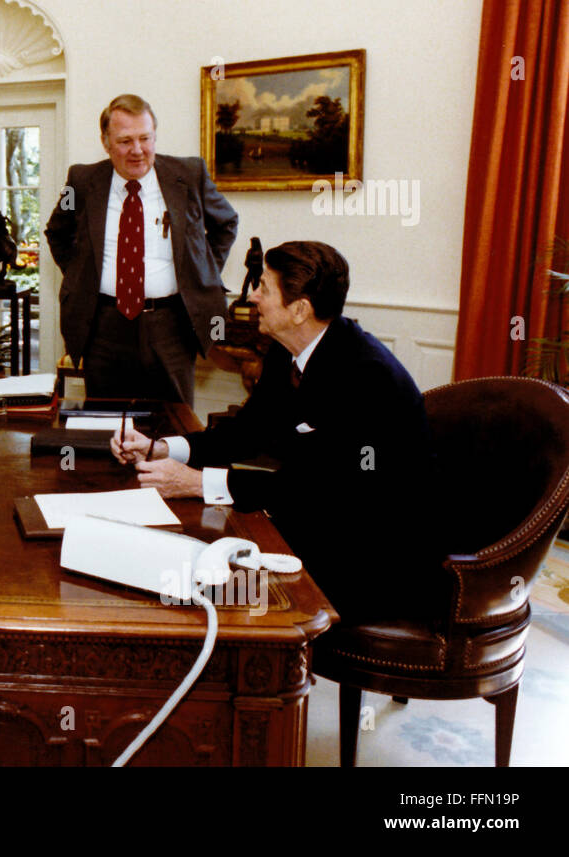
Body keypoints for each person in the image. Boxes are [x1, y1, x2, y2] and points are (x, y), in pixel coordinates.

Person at [111, 241, 436, 619]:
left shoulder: (365, 375)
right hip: (320, 525)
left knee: (199, 591)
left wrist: (198, 484)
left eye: (264, 287)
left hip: (374, 560)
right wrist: (163, 448)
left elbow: (319, 489)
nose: (252, 295)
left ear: (299, 310)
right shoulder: (287, 352)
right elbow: (246, 433)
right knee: (172, 561)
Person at [44, 94, 238, 404]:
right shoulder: (81, 180)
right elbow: (57, 231)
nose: (137, 151)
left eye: (145, 138)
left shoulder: (189, 175)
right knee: (106, 426)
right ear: (106, 143)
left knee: (174, 425)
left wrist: (199, 272)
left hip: (171, 326)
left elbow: (225, 223)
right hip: (103, 327)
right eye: (124, 141)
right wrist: (83, 275)